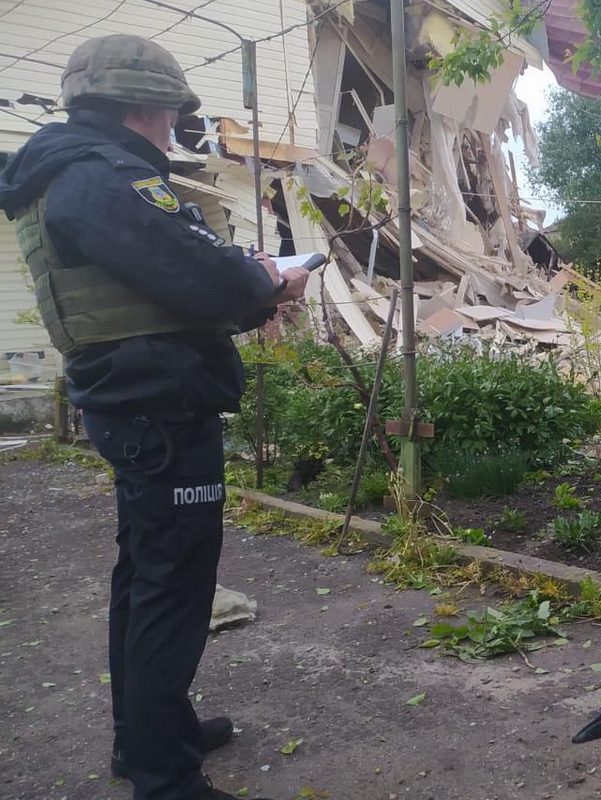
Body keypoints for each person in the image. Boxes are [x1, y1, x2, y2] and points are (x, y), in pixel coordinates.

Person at [0, 34, 308, 800]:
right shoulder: (104, 178)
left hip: (134, 401)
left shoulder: (66, 174)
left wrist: (244, 285)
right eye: (172, 113)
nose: (175, 129)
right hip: (159, 405)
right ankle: (165, 779)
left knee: (144, 573)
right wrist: (263, 283)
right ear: (144, 105)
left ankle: (146, 739)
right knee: (172, 584)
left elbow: (164, 283)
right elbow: (200, 276)